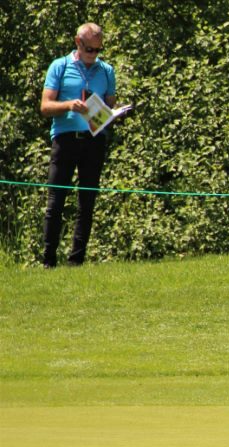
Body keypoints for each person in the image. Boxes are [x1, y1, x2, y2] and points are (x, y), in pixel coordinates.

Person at [40, 23, 116, 268]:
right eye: (90, 49)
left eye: (98, 49)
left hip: (93, 141)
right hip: (65, 139)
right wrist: (69, 105)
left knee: (87, 202)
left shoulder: (106, 71)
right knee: (56, 201)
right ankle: (48, 261)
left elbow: (110, 109)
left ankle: (76, 262)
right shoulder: (59, 67)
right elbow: (45, 107)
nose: (94, 54)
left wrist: (112, 115)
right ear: (78, 42)